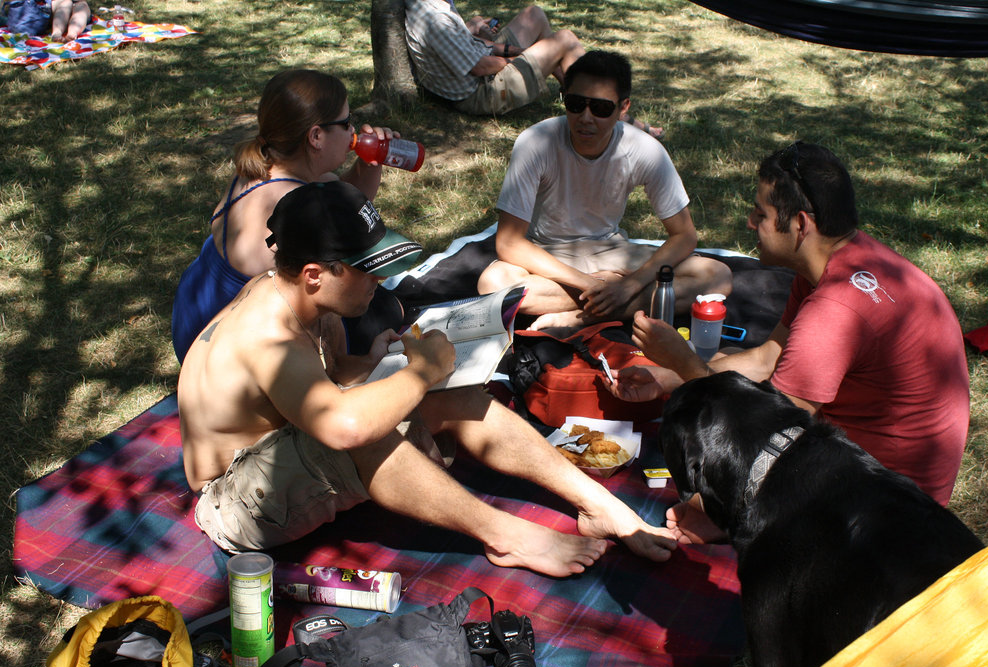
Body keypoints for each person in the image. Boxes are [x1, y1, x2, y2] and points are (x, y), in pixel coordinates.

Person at [179, 180, 676, 577]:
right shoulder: (267, 334)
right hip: (235, 500)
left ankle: (597, 503)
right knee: (366, 430)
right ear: (314, 273)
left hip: (286, 453)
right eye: (367, 270)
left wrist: (380, 365)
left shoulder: (303, 295)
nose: (378, 282)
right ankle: (508, 535)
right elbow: (342, 427)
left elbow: (319, 379)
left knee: (450, 394)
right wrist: (420, 372)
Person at [607, 142, 970, 544]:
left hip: (881, 518)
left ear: (799, 225)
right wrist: (667, 375)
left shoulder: (833, 311)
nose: (749, 222)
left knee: (701, 437)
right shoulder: (841, 258)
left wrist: (686, 367)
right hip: (895, 485)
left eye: (761, 214)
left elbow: (767, 432)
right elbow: (766, 359)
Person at [477, 50, 732, 330]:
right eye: (575, 104)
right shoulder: (536, 142)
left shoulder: (645, 150)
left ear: (623, 108)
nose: (586, 118)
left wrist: (631, 284)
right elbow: (510, 243)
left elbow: (684, 235)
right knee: (493, 284)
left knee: (717, 275)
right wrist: (596, 285)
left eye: (600, 108)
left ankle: (582, 316)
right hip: (549, 257)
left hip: (613, 251)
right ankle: (611, 305)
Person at [171, 69, 404, 363]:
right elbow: (325, 310)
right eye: (345, 123)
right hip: (225, 350)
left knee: (381, 303)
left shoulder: (263, 165)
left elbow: (346, 200)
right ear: (316, 136)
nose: (353, 132)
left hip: (195, 317)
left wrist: (368, 164)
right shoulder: (294, 205)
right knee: (383, 308)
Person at [404, 0, 585, 116]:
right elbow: (479, 67)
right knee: (565, 39)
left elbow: (468, 45)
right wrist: (524, 56)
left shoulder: (432, 4)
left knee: (534, 14)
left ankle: (571, 90)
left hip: (479, 65)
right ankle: (594, 102)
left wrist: (517, 50)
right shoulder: (436, 19)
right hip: (480, 91)